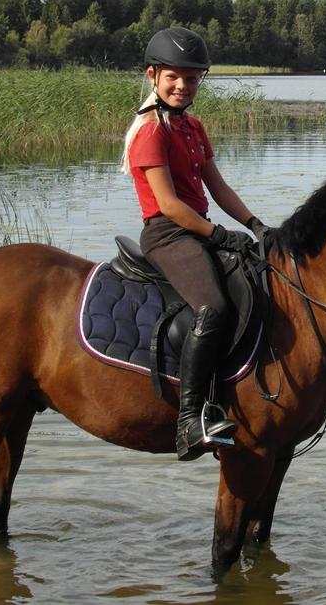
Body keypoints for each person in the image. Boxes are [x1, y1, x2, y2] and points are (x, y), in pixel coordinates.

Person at [121, 27, 265, 461]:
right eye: (173, 78)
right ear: (152, 76)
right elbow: (167, 204)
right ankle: (190, 420)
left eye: (193, 79)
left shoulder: (192, 127)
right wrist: (219, 234)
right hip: (168, 233)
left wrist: (257, 226)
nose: (183, 86)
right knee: (213, 307)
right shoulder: (150, 132)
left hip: (196, 227)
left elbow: (217, 186)